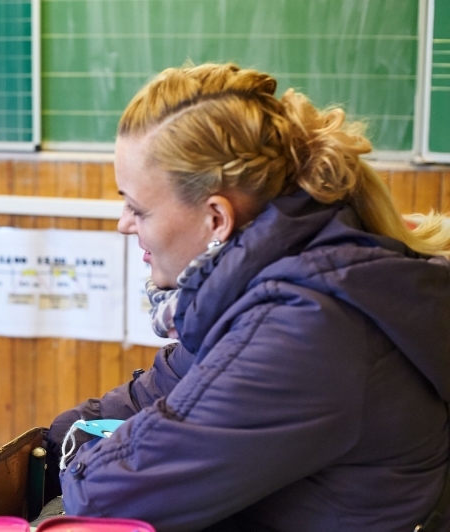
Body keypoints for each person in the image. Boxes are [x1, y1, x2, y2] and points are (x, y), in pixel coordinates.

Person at [45, 63, 450, 531]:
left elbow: (104, 497)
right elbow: (168, 386)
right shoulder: (269, 280)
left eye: (138, 208)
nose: (124, 223)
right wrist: (58, 436)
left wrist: (81, 453)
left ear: (217, 220)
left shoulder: (307, 327)